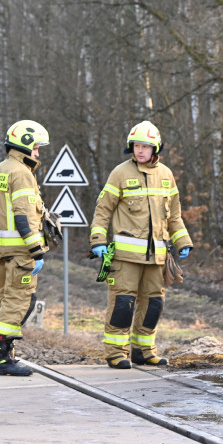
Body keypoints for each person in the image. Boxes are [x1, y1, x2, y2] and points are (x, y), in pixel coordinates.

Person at [90, 120, 193, 369]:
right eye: (136, 146)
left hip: (157, 258)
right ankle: (116, 353)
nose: (140, 151)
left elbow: (174, 216)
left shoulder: (166, 175)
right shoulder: (120, 173)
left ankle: (144, 351)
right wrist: (98, 240)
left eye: (145, 146)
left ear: (155, 148)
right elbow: (103, 210)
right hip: (125, 258)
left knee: (153, 305)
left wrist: (183, 241)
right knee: (122, 306)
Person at [0, 119, 51, 376]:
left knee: (2, 300)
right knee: (18, 302)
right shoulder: (22, 173)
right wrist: (37, 250)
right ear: (25, 145)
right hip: (21, 253)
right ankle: (2, 359)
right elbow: (23, 217)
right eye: (36, 147)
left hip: (2, 252)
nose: (38, 153)